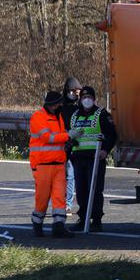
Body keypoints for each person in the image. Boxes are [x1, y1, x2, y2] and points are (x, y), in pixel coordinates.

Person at [29, 91, 82, 238]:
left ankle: (59, 227)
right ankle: (37, 223)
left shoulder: (57, 117)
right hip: (43, 165)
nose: (61, 105)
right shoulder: (38, 117)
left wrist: (70, 137)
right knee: (42, 199)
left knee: (60, 198)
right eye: (59, 103)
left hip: (58, 164)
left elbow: (59, 135)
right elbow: (47, 138)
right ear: (52, 104)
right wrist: (69, 135)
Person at [69, 86, 118, 232]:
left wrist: (105, 150)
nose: (86, 100)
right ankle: (83, 219)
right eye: (84, 97)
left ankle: (96, 220)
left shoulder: (101, 114)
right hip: (78, 158)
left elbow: (112, 135)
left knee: (95, 189)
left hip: (95, 158)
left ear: (94, 99)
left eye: (89, 97)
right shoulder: (75, 115)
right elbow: (70, 136)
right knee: (81, 190)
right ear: (80, 99)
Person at [60, 76, 82, 214]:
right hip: (64, 141)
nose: (74, 94)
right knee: (66, 174)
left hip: (78, 143)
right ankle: (64, 202)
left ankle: (67, 202)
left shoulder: (81, 105)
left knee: (71, 174)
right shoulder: (61, 106)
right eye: (72, 91)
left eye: (77, 91)